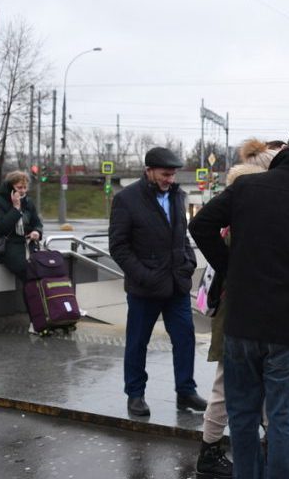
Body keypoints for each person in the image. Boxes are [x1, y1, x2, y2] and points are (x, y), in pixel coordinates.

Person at [191, 122, 289, 479]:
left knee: (243, 417)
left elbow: (200, 225)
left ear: (287, 148)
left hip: (242, 324)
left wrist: (232, 270)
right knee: (284, 420)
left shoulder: (247, 187)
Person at [192, 138, 276, 478]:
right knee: (226, 385)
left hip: (237, 307)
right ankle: (209, 452)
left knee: (252, 384)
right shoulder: (246, 212)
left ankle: (272, 445)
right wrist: (233, 269)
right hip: (236, 311)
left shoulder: (237, 207)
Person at [108, 147, 207, 418]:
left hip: (176, 285)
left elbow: (182, 236)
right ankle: (135, 395)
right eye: (165, 174)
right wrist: (144, 276)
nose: (170, 179)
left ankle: (185, 391)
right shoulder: (126, 200)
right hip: (144, 288)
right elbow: (118, 247)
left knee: (185, 338)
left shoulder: (178, 196)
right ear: (149, 170)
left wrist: (188, 263)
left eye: (173, 174)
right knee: (137, 342)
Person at [0, 170, 43, 281]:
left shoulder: (28, 202)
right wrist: (16, 209)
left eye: (25, 187)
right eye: (19, 188)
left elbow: (37, 223)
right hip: (9, 246)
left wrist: (37, 232)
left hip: (28, 244)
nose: (23, 191)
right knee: (28, 273)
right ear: (10, 187)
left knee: (44, 268)